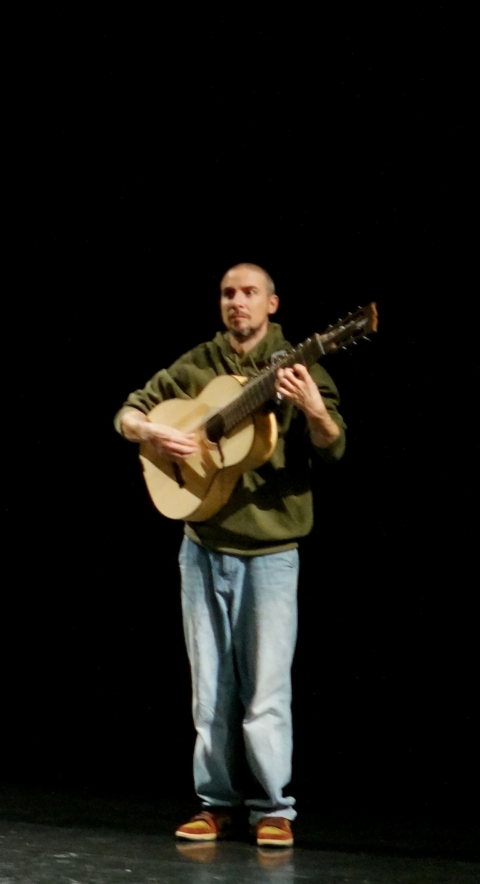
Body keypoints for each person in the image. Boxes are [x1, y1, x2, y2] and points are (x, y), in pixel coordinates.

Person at [117, 263, 346, 850]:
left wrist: (315, 411)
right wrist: (152, 433)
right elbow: (128, 412)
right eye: (227, 294)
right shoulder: (202, 363)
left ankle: (273, 808)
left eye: (248, 294)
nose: (236, 303)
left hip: (270, 551)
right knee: (210, 688)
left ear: (272, 304)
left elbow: (333, 445)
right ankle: (214, 803)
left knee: (265, 689)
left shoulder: (300, 367)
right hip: (201, 545)